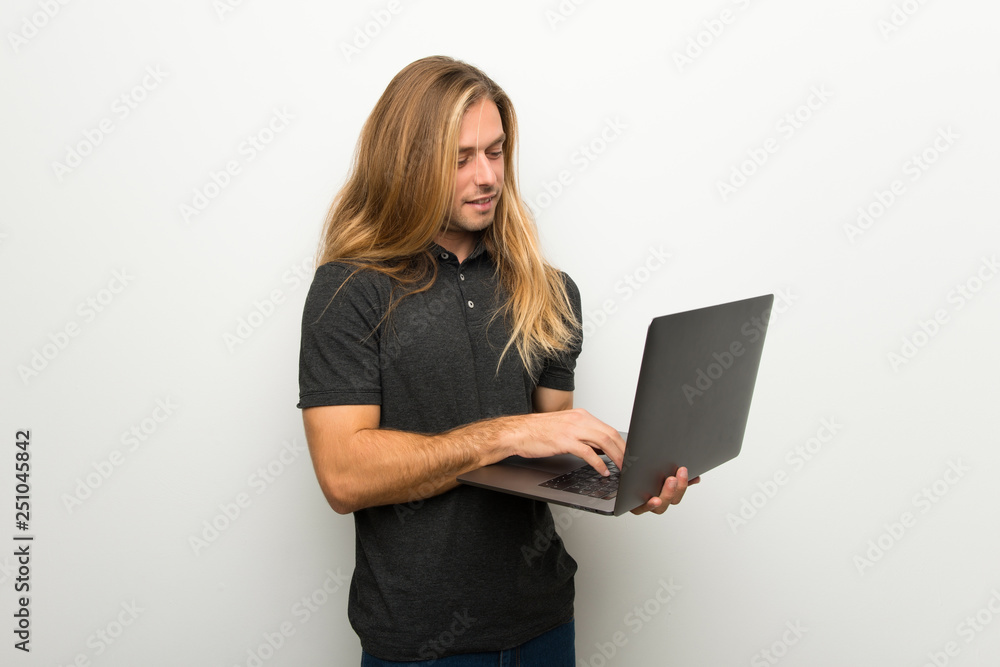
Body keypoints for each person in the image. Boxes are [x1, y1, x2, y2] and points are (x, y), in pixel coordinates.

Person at [297, 55, 696, 665]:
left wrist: (626, 475)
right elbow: (344, 476)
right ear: (408, 162)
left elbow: (551, 452)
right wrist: (505, 433)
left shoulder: (549, 290)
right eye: (460, 158)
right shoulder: (350, 290)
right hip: (419, 642)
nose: (487, 177)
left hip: (543, 623)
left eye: (495, 151)